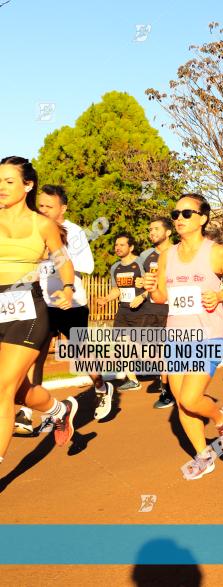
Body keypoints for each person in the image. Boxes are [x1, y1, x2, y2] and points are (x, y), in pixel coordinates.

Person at [142, 193, 223, 480]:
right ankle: (203, 455)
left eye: (187, 214)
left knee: (190, 398)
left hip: (207, 335)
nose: (179, 219)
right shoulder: (166, 256)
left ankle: (222, 418)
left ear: (203, 218)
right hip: (176, 336)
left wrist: (220, 295)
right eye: (175, 214)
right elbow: (162, 297)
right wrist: (152, 288)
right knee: (180, 401)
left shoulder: (217, 252)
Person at [0, 156, 79, 464]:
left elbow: (64, 262)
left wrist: (68, 288)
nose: (2, 188)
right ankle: (61, 410)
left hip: (27, 312)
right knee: (19, 393)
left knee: (3, 390)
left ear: (27, 185)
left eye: (9, 181)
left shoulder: (43, 224)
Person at [28, 184, 113, 422]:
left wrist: (57, 258)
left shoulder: (74, 233)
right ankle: (27, 412)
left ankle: (101, 387)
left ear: (62, 208)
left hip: (71, 304)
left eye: (49, 206)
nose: (43, 210)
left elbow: (88, 266)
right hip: (41, 303)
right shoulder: (34, 229)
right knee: (35, 356)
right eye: (41, 205)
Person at [96, 232, 145, 394]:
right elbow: (117, 289)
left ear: (130, 247)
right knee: (121, 345)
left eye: (122, 245)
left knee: (145, 346)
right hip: (123, 310)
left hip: (143, 310)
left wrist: (142, 297)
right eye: (116, 245)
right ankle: (133, 380)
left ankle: (165, 375)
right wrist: (106, 299)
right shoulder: (115, 268)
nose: (118, 248)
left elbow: (152, 284)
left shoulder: (140, 263)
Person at [135, 217, 174, 409]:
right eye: (150, 229)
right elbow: (146, 281)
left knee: (167, 350)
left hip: (172, 308)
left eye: (156, 229)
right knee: (149, 349)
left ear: (168, 232)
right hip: (151, 307)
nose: (152, 233)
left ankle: (167, 388)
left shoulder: (178, 252)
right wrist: (142, 287)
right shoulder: (145, 256)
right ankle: (168, 380)